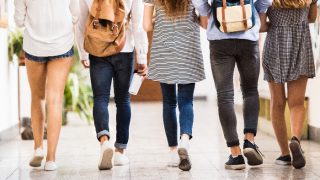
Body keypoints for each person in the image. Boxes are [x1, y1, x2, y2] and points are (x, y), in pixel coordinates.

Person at [193, 0, 269, 170]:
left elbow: (198, 2)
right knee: (250, 90)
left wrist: (209, 13)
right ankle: (249, 140)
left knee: (225, 95)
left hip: (219, 40)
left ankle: (235, 154)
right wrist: (253, 12)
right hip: (248, 36)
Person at [76, 0, 148, 170]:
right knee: (123, 100)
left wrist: (83, 52)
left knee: (100, 98)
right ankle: (120, 151)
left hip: (97, 48)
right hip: (124, 47)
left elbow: (80, 21)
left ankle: (104, 141)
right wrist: (142, 58)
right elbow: (138, 25)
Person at [14, 0, 79, 171]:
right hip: (61, 43)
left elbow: (19, 20)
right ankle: (51, 158)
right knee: (55, 100)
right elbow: (76, 13)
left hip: (34, 45)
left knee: (37, 97)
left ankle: (38, 148)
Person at [143, 0, 206, 171]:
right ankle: (184, 139)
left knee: (169, 102)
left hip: (164, 49)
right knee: (186, 101)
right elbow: (205, 22)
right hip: (188, 49)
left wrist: (160, 19)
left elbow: (146, 26)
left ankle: (172, 151)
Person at [259, 0, 318, 169]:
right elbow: (312, 18)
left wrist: (277, 24)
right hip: (301, 43)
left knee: (277, 102)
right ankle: (296, 140)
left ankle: (285, 154)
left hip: (275, 46)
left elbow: (262, 26)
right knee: (297, 102)